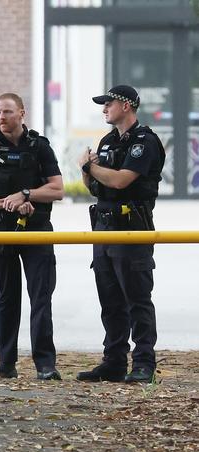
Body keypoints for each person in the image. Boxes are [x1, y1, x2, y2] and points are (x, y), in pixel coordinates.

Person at [0, 93, 64, 381]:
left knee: (41, 298)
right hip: (1, 230)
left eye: (8, 112)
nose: (1, 117)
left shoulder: (39, 147)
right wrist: (7, 203)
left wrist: (26, 195)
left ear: (22, 113)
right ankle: (6, 363)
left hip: (36, 230)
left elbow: (57, 189)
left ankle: (45, 365)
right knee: (6, 299)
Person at [76, 85, 165, 384]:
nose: (104, 109)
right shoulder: (107, 141)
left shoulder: (144, 142)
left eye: (108, 104)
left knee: (137, 299)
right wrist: (87, 172)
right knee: (110, 300)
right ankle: (113, 362)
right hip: (104, 228)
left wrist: (90, 165)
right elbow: (96, 186)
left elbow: (120, 181)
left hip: (132, 228)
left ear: (126, 106)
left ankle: (143, 363)